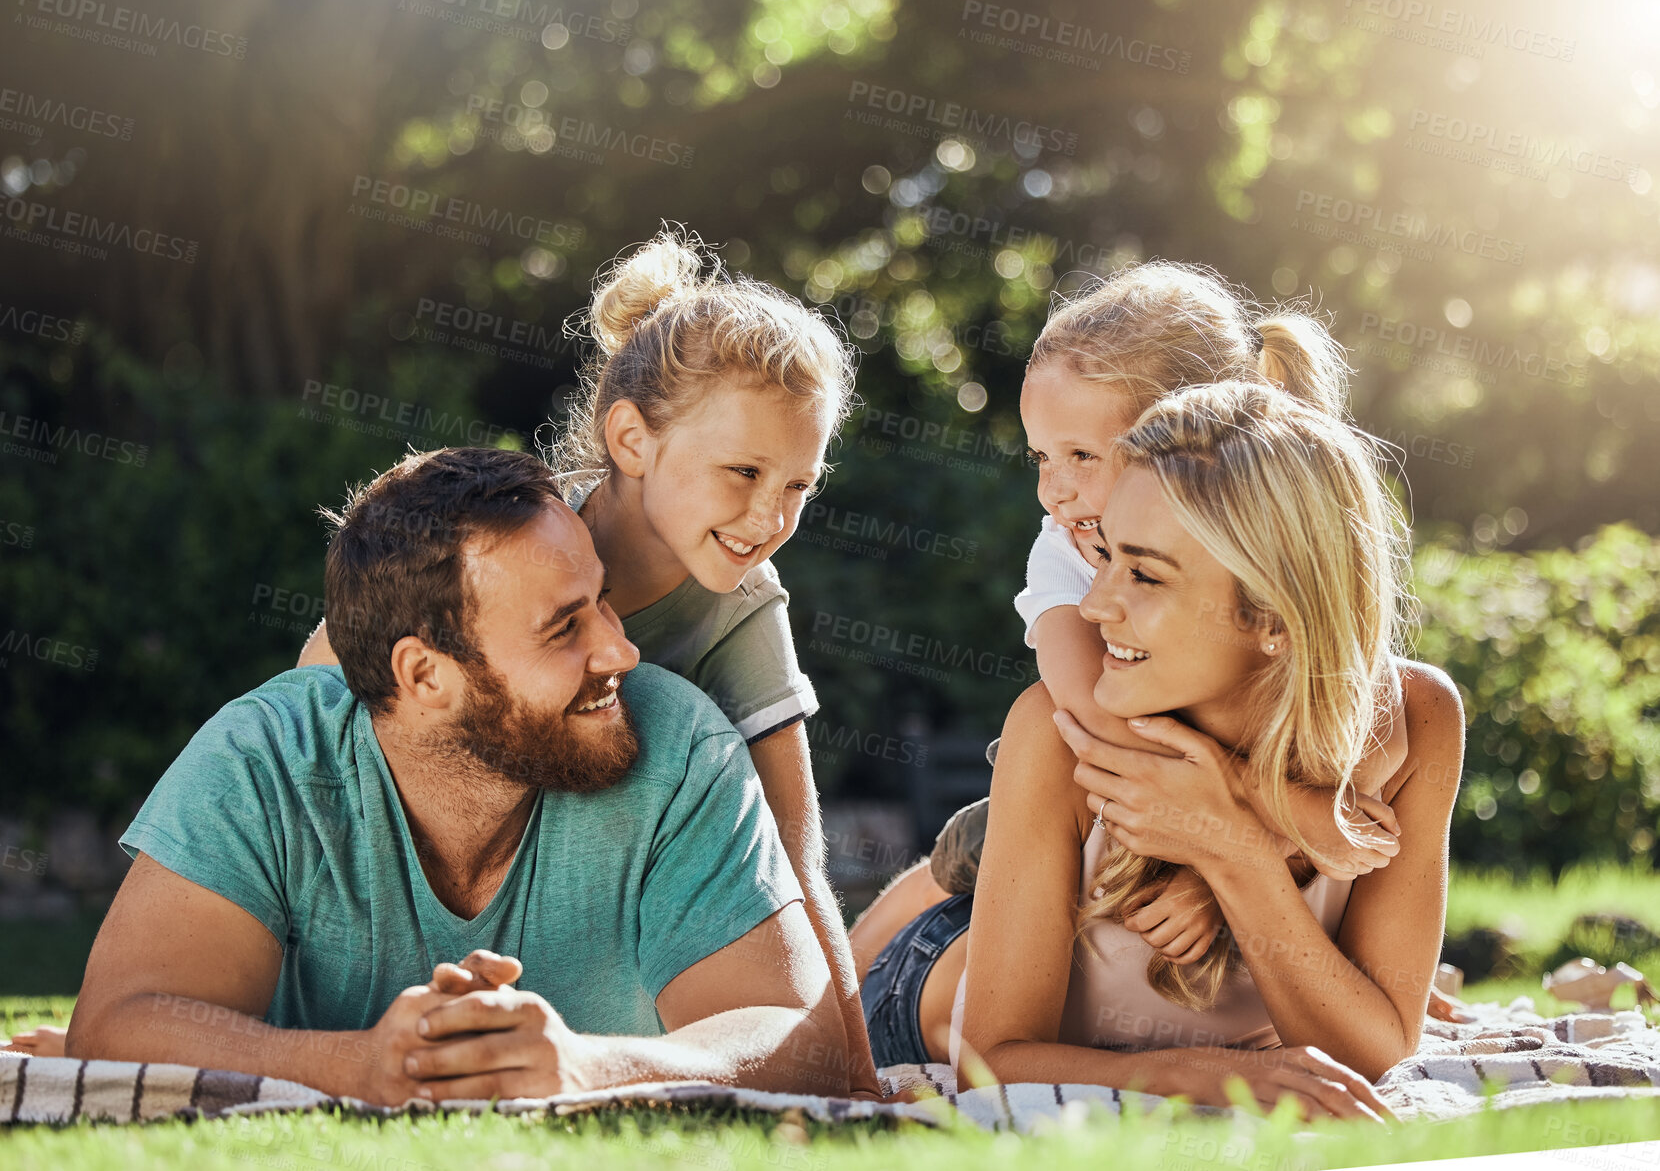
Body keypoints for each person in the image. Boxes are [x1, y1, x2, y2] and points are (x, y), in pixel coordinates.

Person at [62, 447, 849, 1104]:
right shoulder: (264, 758)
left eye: (602, 603)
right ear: (426, 676)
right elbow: (116, 1021)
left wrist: (588, 1066)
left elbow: (803, 1035)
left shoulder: (680, 750)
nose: (620, 651)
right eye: (564, 627)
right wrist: (357, 1065)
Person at [299, 227, 880, 1094]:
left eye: (798, 484)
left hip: (612, 894)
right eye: (744, 471)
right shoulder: (519, 533)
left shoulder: (746, 607)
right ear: (632, 440)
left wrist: (858, 1076)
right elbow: (315, 698)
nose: (770, 515)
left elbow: (797, 856)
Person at [860, 381, 1465, 1119]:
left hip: (1062, 918)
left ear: (1273, 617)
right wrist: (1205, 1073)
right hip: (924, 993)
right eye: (1106, 555)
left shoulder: (1414, 722)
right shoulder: (1053, 730)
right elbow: (995, 1062)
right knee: (904, 928)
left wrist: (1233, 850)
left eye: (1144, 573)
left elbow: (1375, 1049)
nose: (1094, 604)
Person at [850, 264, 1407, 1017]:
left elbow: (1350, 734)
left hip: (1188, 803)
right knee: (946, 879)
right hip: (1086, 796)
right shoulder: (1061, 550)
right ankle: (829, 998)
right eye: (1042, 457)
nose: (1054, 489)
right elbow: (1098, 723)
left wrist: (1240, 856)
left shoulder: (1276, 576)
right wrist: (1286, 818)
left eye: (1082, 455)